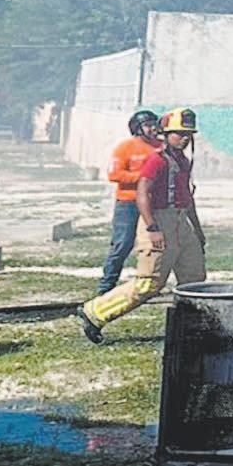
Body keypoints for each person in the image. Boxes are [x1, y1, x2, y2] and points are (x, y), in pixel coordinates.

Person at [74, 108, 206, 344]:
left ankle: (192, 327)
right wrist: (153, 228)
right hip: (158, 220)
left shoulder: (182, 161)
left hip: (180, 221)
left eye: (188, 134)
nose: (184, 138)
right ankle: (95, 312)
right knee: (149, 282)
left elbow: (187, 198)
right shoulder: (156, 160)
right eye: (179, 133)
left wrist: (197, 229)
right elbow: (142, 193)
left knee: (194, 278)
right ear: (167, 134)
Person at [98, 110, 162, 294]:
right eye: (147, 125)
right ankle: (106, 286)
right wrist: (143, 178)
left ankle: (151, 283)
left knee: (154, 245)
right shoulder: (125, 147)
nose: (152, 129)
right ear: (137, 128)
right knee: (123, 243)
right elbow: (114, 174)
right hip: (128, 203)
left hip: (152, 204)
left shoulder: (160, 146)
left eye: (154, 125)